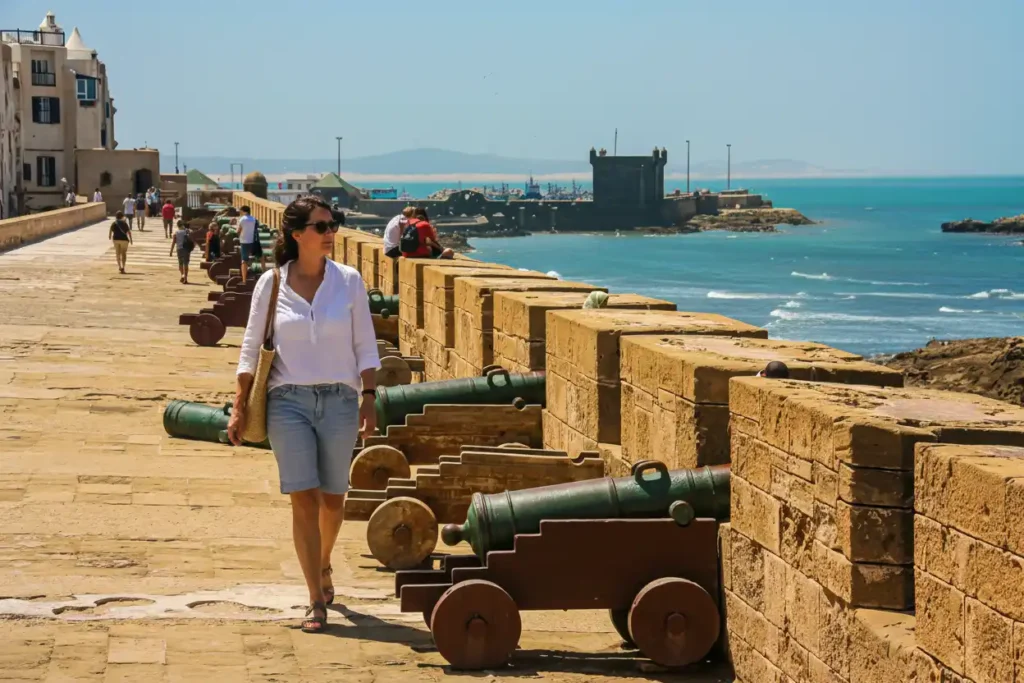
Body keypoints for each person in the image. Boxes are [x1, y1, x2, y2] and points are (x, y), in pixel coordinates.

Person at [226, 194, 380, 634]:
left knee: (334, 500)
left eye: (334, 224)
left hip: (339, 400)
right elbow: (250, 349)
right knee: (304, 499)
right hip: (287, 401)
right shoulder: (271, 284)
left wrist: (369, 396)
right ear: (297, 235)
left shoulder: (349, 281)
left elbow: (365, 345)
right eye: (321, 226)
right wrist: (238, 407)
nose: (331, 233)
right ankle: (315, 597)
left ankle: (323, 562)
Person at [237, 205, 258, 284]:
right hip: (252, 241)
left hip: (244, 241)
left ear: (244, 211)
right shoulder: (253, 219)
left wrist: (238, 234)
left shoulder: (242, 219)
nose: (240, 212)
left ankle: (244, 280)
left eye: (240, 211)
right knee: (255, 257)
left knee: (244, 260)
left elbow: (238, 230)